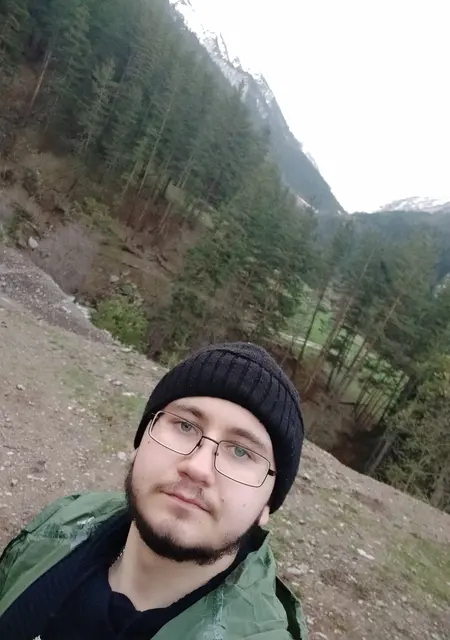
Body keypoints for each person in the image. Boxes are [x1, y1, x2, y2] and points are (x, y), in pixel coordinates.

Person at [0, 342, 308, 639]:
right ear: (140, 443)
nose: (198, 467)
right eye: (185, 426)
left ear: (268, 503)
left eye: (241, 452)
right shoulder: (61, 524)